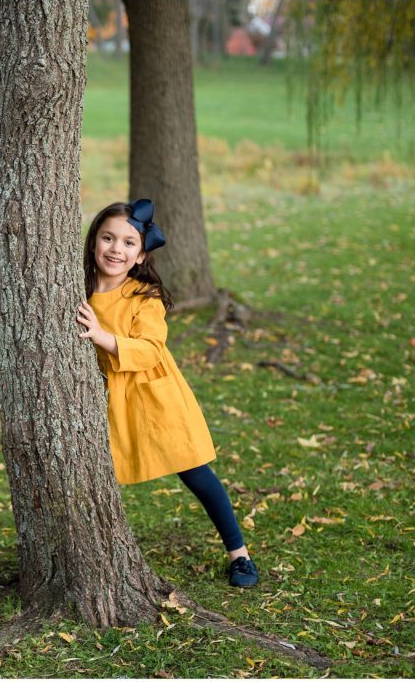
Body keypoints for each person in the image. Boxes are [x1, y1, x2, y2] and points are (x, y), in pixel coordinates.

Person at [75, 200, 259, 588]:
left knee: (195, 472)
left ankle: (239, 554)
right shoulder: (76, 286)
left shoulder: (144, 296)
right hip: (108, 398)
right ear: (94, 242)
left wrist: (101, 336)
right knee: (90, 471)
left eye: (128, 243)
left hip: (155, 394)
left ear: (140, 255)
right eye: (108, 238)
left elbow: (150, 349)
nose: (115, 249)